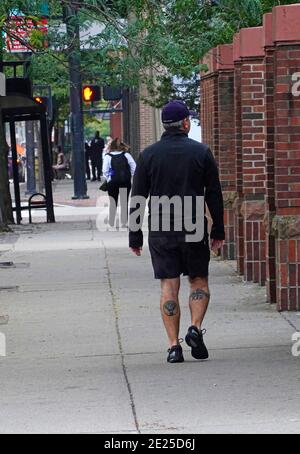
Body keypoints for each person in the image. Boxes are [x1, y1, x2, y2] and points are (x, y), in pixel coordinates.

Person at [129, 100, 225, 364]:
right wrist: (218, 228)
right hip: (192, 224)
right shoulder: (201, 152)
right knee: (198, 281)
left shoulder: (148, 155)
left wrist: (134, 235)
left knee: (169, 286)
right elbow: (214, 194)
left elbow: (138, 197)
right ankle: (194, 327)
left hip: (162, 227)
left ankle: (173, 347)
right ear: (185, 123)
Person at [103, 138, 136, 227]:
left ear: (111, 146)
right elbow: (134, 168)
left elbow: (105, 170)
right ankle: (124, 222)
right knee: (124, 201)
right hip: (125, 181)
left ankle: (112, 221)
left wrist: (110, 177)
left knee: (113, 201)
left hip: (112, 182)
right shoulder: (126, 155)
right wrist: (131, 177)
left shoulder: (108, 156)